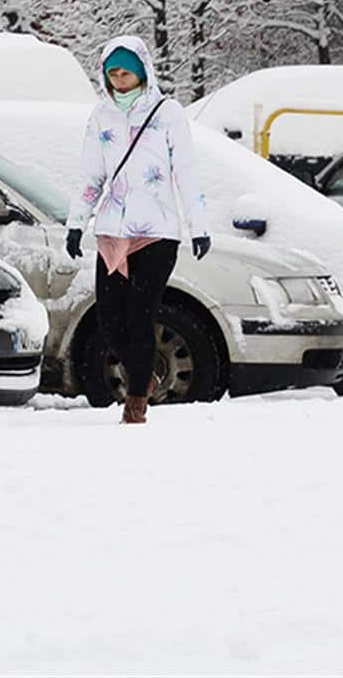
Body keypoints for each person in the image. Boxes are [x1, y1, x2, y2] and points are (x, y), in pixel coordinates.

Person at [65, 36, 210, 424]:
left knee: (141, 315)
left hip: (157, 232)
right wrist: (77, 223)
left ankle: (136, 404)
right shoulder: (101, 116)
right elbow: (91, 174)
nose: (119, 80)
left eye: (126, 72)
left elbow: (186, 171)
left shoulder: (168, 113)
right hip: (113, 230)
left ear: (142, 71)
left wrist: (199, 226)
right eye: (112, 73)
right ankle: (144, 374)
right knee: (111, 323)